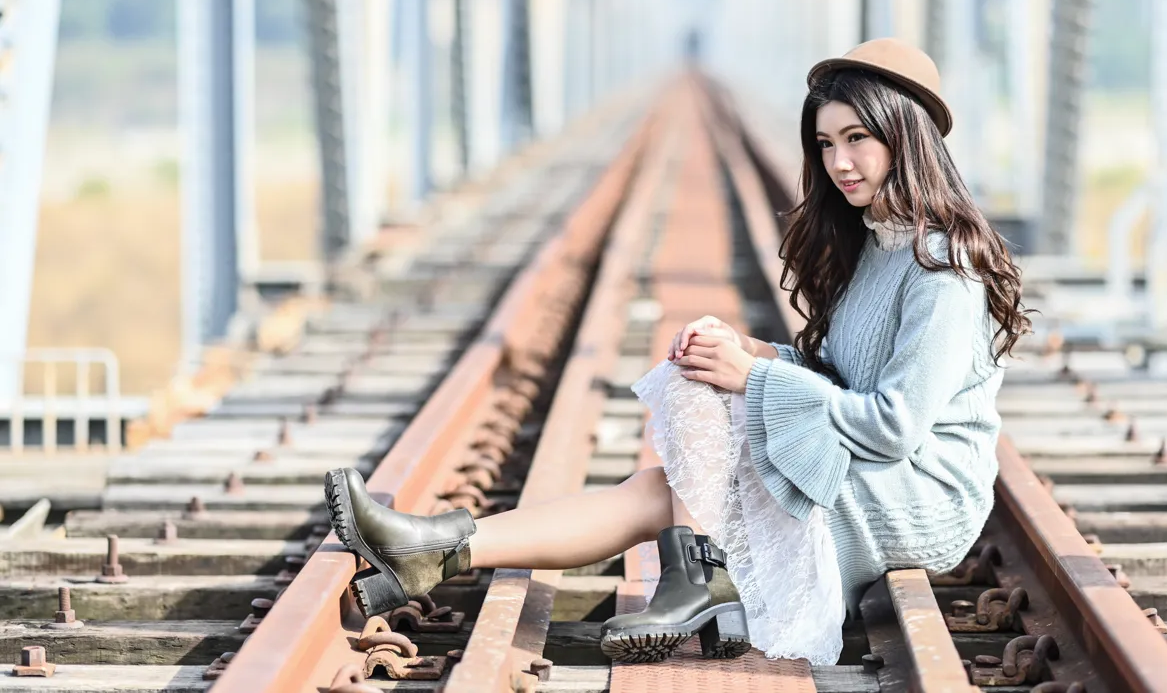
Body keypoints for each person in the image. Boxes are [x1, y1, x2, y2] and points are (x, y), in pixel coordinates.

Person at [323, 38, 1031, 666]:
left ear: (906, 138)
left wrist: (751, 377)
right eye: (824, 144)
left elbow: (894, 426)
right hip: (870, 464)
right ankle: (436, 550)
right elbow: (843, 381)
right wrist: (761, 356)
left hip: (918, 492)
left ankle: (672, 580)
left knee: (693, 444)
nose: (838, 162)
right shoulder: (875, 244)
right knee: (670, 464)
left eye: (857, 140)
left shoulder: (943, 268)